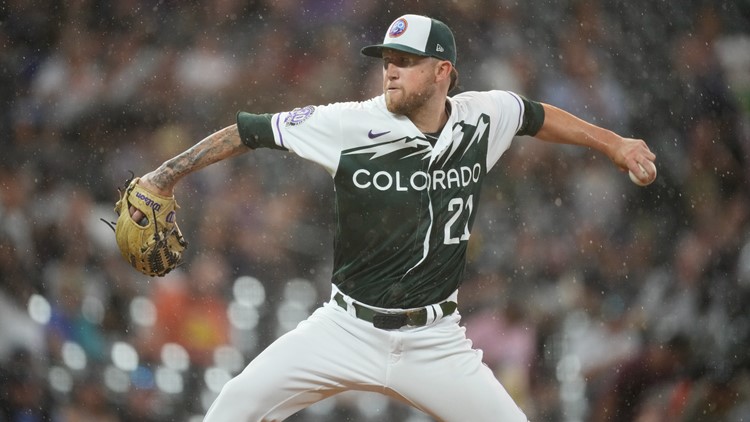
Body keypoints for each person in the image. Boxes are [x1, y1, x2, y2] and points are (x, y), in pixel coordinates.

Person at [128, 14, 656, 421]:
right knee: (235, 404)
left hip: (435, 340)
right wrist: (164, 176)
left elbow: (536, 116)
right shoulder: (349, 123)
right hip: (345, 328)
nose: (390, 69)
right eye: (387, 58)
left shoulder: (481, 117)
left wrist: (614, 143)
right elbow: (250, 130)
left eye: (406, 59)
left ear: (443, 71)